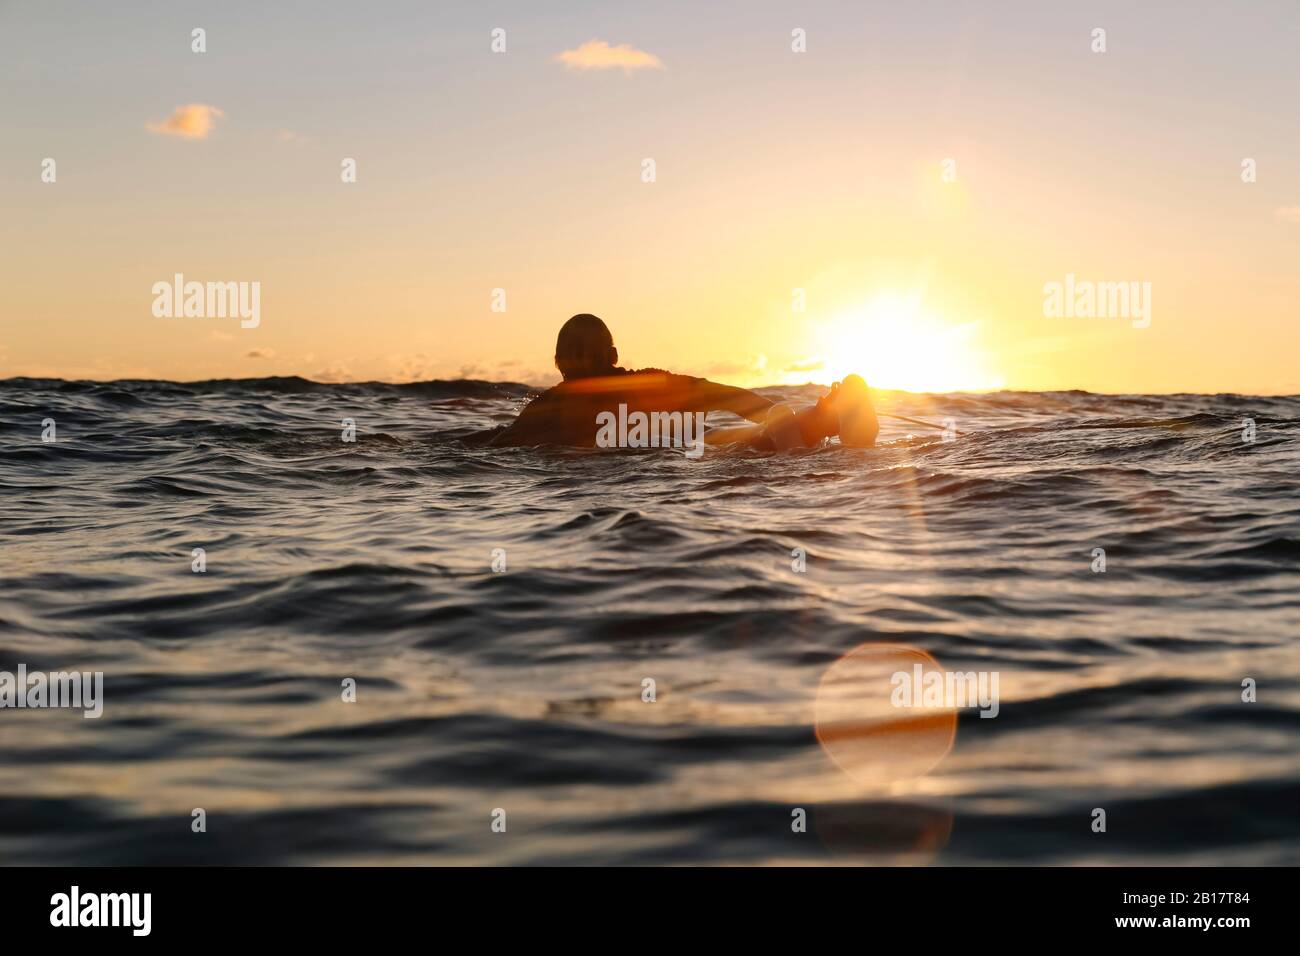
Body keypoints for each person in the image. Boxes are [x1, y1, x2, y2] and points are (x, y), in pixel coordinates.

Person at [481, 314, 877, 450]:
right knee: (717, 442)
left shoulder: (546, 409)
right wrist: (772, 410)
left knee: (723, 445)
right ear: (613, 357)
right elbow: (720, 395)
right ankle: (825, 417)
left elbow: (499, 449)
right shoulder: (648, 385)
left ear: (556, 362)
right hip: (677, 449)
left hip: (664, 454)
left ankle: (818, 419)